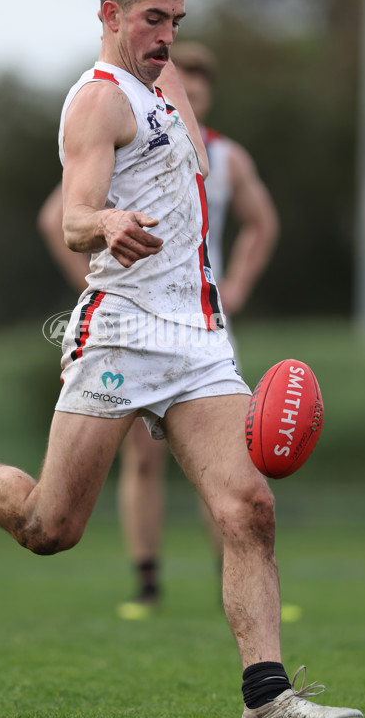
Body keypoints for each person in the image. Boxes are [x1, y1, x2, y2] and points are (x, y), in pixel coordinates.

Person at [0, 0, 363, 718]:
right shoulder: (98, 103)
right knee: (49, 527)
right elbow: (72, 219)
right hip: (122, 332)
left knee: (249, 507)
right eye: (152, 20)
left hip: (198, 337)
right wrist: (104, 223)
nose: (167, 36)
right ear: (110, 15)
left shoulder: (162, 89)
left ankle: (268, 697)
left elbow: (194, 167)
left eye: (177, 21)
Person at [37, 41, 280, 618]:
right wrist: (96, 281)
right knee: (59, 520)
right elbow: (66, 218)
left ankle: (260, 668)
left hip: (200, 325)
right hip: (128, 325)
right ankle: (148, 582)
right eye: (178, 81)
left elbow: (262, 224)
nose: (184, 93)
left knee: (241, 488)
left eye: (195, 87)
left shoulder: (222, 157)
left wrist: (237, 286)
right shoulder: (115, 117)